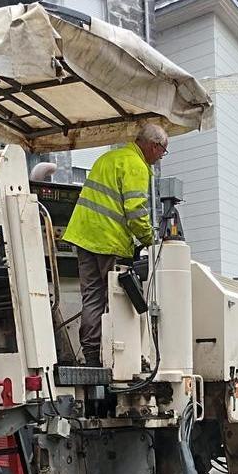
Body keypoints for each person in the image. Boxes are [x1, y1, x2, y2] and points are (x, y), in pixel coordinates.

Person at [61, 123, 165, 366]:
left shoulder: (108, 158)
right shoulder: (136, 165)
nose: (161, 157)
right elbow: (135, 211)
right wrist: (152, 240)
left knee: (92, 298)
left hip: (83, 237)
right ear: (153, 146)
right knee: (118, 299)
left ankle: (91, 355)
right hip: (109, 242)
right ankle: (120, 357)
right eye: (163, 151)